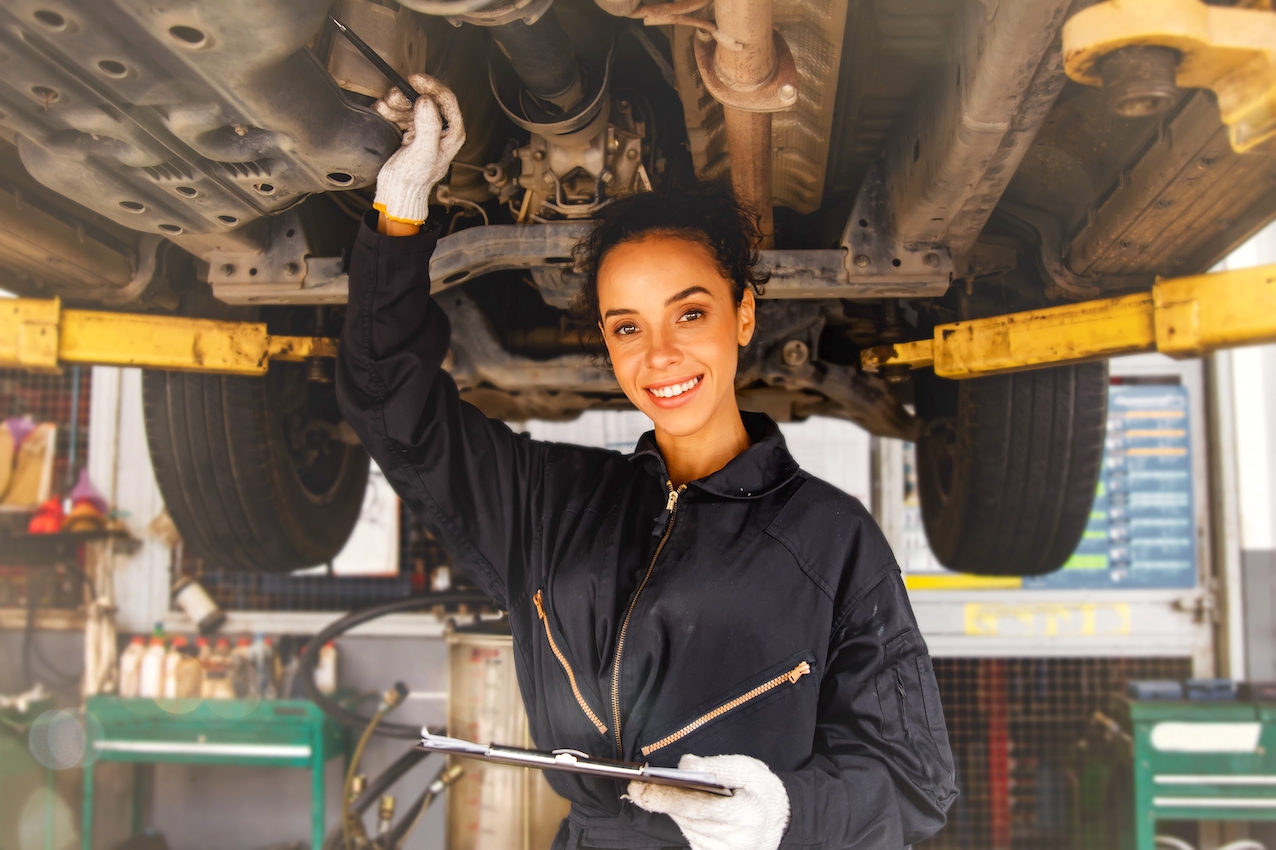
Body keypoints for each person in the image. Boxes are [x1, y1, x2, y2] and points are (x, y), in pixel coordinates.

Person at [336, 75, 957, 850]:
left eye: (689, 313)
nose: (660, 354)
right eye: (627, 327)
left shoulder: (831, 540)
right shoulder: (549, 505)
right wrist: (400, 216)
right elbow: (390, 407)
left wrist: (786, 813)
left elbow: (913, 782)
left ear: (744, 314)